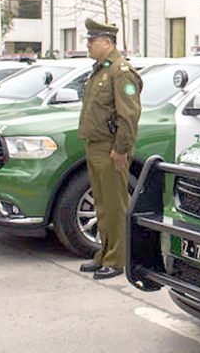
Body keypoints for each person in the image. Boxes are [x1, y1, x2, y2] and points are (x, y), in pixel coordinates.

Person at [77, 18, 142, 280]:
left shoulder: (120, 71)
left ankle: (117, 260)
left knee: (115, 205)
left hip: (111, 149)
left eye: (92, 41)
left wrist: (121, 149)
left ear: (107, 42)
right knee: (102, 205)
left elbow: (128, 116)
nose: (89, 45)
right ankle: (104, 253)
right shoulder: (101, 70)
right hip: (96, 146)